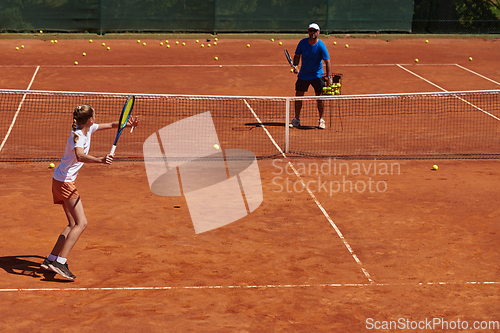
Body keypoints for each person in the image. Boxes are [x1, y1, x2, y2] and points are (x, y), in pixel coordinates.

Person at [40, 104, 138, 280]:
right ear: (90, 119)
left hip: (59, 179)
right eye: (94, 115)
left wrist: (125, 124)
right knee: (82, 223)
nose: (96, 118)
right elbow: (79, 155)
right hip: (66, 183)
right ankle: (61, 263)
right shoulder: (78, 136)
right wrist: (100, 160)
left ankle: (51, 259)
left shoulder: (87, 128)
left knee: (72, 224)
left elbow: (110, 125)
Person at [290, 23, 332, 129]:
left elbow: (327, 62)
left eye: (314, 31)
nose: (312, 32)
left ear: (318, 32)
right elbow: (297, 55)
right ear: (308, 31)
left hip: (317, 75)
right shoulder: (302, 43)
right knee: (298, 97)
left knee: (320, 98)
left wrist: (329, 77)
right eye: (310, 30)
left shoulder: (321, 45)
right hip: (303, 75)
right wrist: (295, 66)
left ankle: (321, 120)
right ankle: (297, 119)